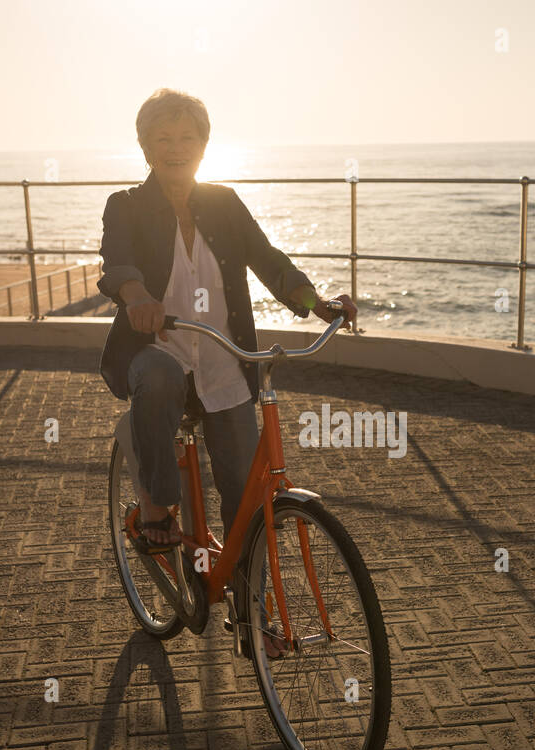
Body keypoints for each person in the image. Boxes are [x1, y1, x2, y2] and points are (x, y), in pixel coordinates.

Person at [96, 89, 354, 645]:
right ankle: (159, 508)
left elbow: (269, 261)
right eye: (163, 138)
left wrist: (318, 305)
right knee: (160, 379)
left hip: (221, 359)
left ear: (204, 145)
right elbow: (115, 262)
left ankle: (249, 604)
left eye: (187, 137)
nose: (176, 148)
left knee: (245, 493)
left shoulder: (224, 202)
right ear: (146, 147)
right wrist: (137, 295)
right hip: (156, 350)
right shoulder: (126, 205)